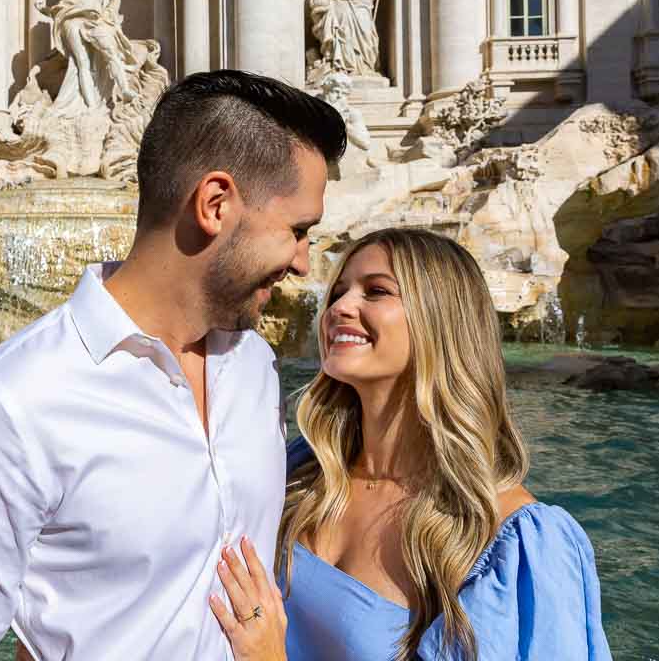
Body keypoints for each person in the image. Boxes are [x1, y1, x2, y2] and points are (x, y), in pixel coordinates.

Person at [0, 70, 347, 661]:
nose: (305, 263)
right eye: (297, 231)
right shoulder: (11, 405)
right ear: (215, 204)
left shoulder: (254, 363)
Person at [211, 228, 612, 661]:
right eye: (340, 292)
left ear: (440, 320)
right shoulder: (301, 471)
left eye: (377, 291)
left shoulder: (514, 545)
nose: (339, 308)